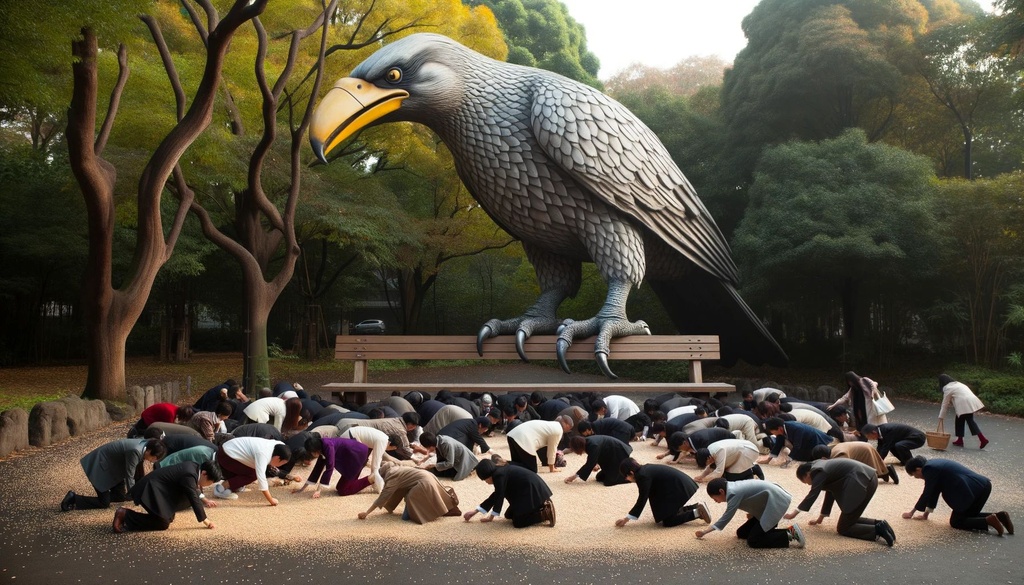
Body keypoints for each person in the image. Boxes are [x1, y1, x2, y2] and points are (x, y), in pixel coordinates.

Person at [785, 459, 896, 546]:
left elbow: (813, 494)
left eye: (806, 482)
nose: (808, 484)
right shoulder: (821, 466)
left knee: (844, 527)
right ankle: (879, 524)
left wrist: (794, 513)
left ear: (807, 475)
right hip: (869, 477)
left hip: (861, 481)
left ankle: (877, 530)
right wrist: (820, 518)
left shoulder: (817, 472)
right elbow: (830, 492)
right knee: (850, 518)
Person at [903, 456, 1013, 535]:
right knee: (969, 516)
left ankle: (988, 521)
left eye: (915, 475)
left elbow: (927, 492)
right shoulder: (934, 464)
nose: (918, 478)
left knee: (956, 521)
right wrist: (925, 515)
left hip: (972, 491)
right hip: (983, 486)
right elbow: (934, 492)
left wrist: (912, 512)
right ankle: (999, 516)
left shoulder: (929, 469)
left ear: (918, 469)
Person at [112, 460, 222, 533]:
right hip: (150, 489)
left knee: (168, 518)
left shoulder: (193, 469)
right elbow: (193, 497)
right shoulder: (190, 474)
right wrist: (206, 520)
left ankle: (127, 516)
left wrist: (205, 500)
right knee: (162, 523)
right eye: (210, 482)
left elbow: (193, 491)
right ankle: (125, 515)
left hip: (158, 490)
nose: (209, 485)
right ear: (204, 473)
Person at [61, 438, 168, 512]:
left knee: (120, 496)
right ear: (149, 451)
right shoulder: (136, 451)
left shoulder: (144, 445)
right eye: (154, 458)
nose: (154, 460)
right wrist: (136, 495)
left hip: (114, 468)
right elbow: (130, 474)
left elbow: (137, 473)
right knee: (104, 503)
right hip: (101, 466)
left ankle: (104, 496)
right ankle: (74, 498)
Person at [697, 478, 805, 549]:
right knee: (742, 533)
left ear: (721, 491)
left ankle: (792, 534)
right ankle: (771, 531)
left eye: (715, 498)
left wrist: (705, 532)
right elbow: (753, 496)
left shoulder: (733, 493)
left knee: (754, 541)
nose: (716, 501)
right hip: (767, 505)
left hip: (775, 503)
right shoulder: (732, 486)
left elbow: (726, 518)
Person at [615, 458, 710, 528]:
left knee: (669, 521)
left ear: (631, 473)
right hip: (680, 485)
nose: (626, 479)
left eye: (626, 476)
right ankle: (696, 507)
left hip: (678, 487)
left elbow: (642, 499)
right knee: (666, 513)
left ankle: (698, 513)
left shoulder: (642, 476)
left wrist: (626, 519)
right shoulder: (644, 470)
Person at [463, 459, 555, 528]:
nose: (486, 482)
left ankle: (545, 513)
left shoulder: (498, 476)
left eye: (485, 479)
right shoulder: (500, 471)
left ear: (488, 475)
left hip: (532, 493)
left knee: (518, 523)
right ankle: (541, 506)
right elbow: (495, 496)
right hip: (532, 492)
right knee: (509, 515)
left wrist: (490, 518)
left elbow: (499, 496)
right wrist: (475, 511)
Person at [357, 464, 461, 523]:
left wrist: (367, 513)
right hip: (428, 477)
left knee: (408, 506)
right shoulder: (397, 469)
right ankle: (443, 508)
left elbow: (383, 496)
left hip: (424, 482)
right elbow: (398, 490)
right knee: (416, 494)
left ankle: (439, 511)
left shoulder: (391, 477)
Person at [213, 436, 291, 505]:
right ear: (277, 458)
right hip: (226, 455)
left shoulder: (279, 445)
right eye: (282, 463)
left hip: (230, 449)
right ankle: (221, 488)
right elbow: (261, 479)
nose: (281, 466)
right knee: (253, 474)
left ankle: (235, 486)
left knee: (252, 470)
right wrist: (271, 500)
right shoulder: (263, 454)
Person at [294, 435, 375, 497]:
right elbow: (317, 469)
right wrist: (302, 489)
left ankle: (370, 479)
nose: (311, 454)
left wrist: (319, 490)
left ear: (315, 450)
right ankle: (358, 481)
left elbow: (330, 468)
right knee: (340, 488)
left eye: (311, 452)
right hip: (351, 456)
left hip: (358, 455)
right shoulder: (322, 446)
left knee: (343, 490)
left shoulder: (328, 446)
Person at [938, 374, 988, 448]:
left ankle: (983, 439)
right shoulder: (958, 384)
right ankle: (960, 440)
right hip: (971, 401)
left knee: (970, 421)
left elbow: (945, 404)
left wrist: (941, 417)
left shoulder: (948, 388)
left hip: (964, 403)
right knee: (959, 419)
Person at [505, 417, 571, 473]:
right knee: (531, 469)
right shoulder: (558, 430)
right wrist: (552, 467)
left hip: (513, 434)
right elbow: (552, 449)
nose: (569, 430)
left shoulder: (551, 425)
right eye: (570, 428)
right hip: (523, 438)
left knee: (518, 463)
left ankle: (503, 463)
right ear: (567, 425)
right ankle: (503, 463)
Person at [810, 443, 899, 485]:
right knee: (870, 469)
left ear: (823, 458)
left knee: (868, 473)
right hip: (863, 447)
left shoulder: (839, 455)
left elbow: (846, 470)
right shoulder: (833, 451)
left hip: (864, 450)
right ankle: (884, 472)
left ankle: (887, 471)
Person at [758, 418, 834, 465]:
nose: (773, 434)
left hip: (819, 442)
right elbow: (778, 444)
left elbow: (797, 445)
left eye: (773, 432)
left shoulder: (796, 429)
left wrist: (788, 459)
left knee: (810, 458)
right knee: (797, 456)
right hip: (806, 443)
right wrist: (768, 460)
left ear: (779, 429)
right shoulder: (782, 430)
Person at [564, 435, 633, 486]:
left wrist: (573, 477)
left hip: (619, 453)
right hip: (611, 455)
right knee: (599, 477)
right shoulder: (587, 442)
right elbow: (594, 457)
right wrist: (595, 464)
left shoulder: (593, 445)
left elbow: (589, 463)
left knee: (609, 482)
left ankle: (631, 477)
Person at [693, 438, 763, 482]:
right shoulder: (709, 451)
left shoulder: (719, 451)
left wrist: (704, 480)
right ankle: (749, 471)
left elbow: (719, 472)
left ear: (708, 458)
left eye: (706, 463)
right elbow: (710, 467)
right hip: (739, 452)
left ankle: (753, 468)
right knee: (728, 475)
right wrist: (701, 476)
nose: (707, 464)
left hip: (748, 450)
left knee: (731, 478)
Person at [860, 423, 925, 466]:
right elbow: (880, 446)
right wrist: (875, 458)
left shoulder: (887, 430)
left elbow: (885, 447)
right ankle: (904, 461)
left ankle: (910, 463)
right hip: (907, 438)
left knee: (899, 445)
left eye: (868, 436)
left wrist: (879, 462)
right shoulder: (880, 431)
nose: (869, 439)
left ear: (873, 432)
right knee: (893, 446)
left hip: (918, 437)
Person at [127, 403, 194, 438]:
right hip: (148, 416)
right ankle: (135, 431)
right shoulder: (170, 414)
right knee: (151, 432)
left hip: (151, 415)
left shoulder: (175, 409)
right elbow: (168, 428)